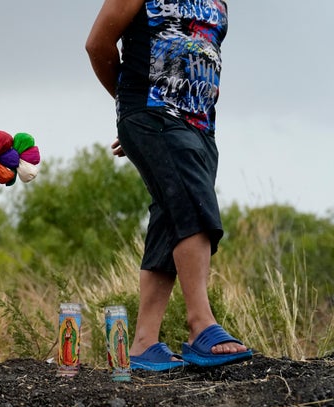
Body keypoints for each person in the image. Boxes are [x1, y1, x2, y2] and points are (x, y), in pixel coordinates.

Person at [85, 0, 252, 370]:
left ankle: (144, 342)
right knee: (193, 203)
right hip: (153, 113)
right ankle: (201, 325)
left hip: (201, 126)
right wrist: (134, 106)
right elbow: (97, 44)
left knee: (170, 213)